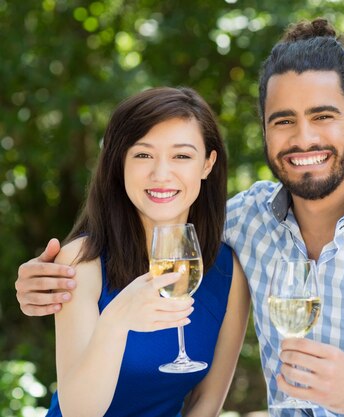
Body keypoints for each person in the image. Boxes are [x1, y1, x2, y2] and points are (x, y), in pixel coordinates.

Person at [16, 19, 344, 416]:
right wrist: (39, 281)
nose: (303, 138)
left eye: (323, 116)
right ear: (265, 131)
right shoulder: (245, 224)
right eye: (283, 120)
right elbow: (165, 213)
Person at [37, 86, 250, 417]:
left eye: (181, 156)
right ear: (119, 163)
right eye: (143, 155)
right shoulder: (82, 263)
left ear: (207, 164)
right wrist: (117, 319)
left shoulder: (227, 271)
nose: (161, 174)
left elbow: (205, 403)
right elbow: (79, 410)